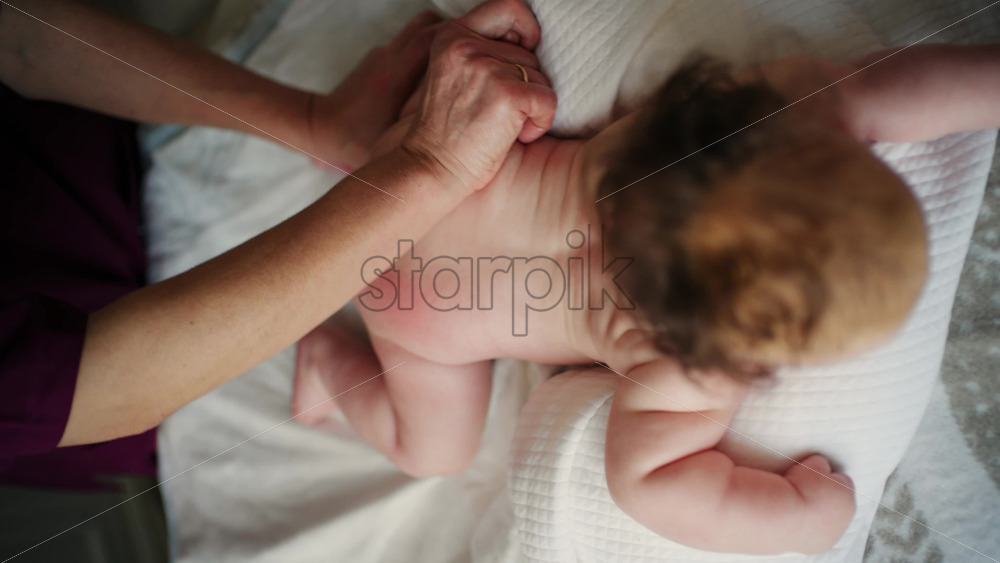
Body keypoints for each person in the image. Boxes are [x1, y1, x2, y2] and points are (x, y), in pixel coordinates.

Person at [292, 40, 1000, 554]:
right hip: (412, 318)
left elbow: (890, 88)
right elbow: (649, 482)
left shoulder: (725, 128)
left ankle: (341, 154)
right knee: (433, 453)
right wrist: (798, 518)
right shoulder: (686, 365)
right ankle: (326, 354)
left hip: (413, 168)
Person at [0, 0, 555, 495]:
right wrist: (428, 164)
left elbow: (17, 38)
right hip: (427, 257)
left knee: (436, 455)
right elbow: (93, 389)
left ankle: (324, 363)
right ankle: (325, 359)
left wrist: (324, 124)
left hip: (429, 251)